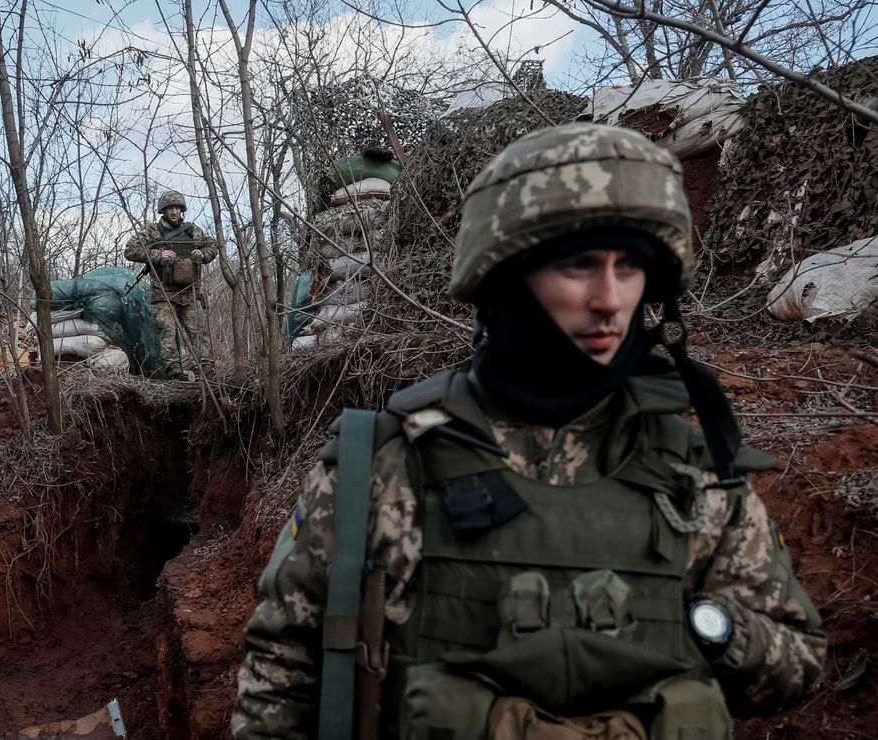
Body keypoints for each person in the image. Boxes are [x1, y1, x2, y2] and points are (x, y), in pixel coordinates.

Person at [232, 123, 826, 740]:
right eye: (578, 265)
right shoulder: (385, 465)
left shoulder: (695, 475)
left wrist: (696, 623)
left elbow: (796, 660)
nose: (609, 298)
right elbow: (282, 673)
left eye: (630, 267)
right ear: (506, 276)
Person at [124, 190, 218, 380]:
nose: (174, 212)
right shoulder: (153, 231)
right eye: (170, 208)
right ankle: (174, 371)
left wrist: (203, 254)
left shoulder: (193, 231)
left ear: (182, 210)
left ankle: (207, 370)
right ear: (163, 210)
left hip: (189, 292)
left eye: (177, 208)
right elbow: (130, 250)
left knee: (198, 332)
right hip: (163, 293)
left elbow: (213, 246)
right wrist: (158, 255)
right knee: (168, 332)